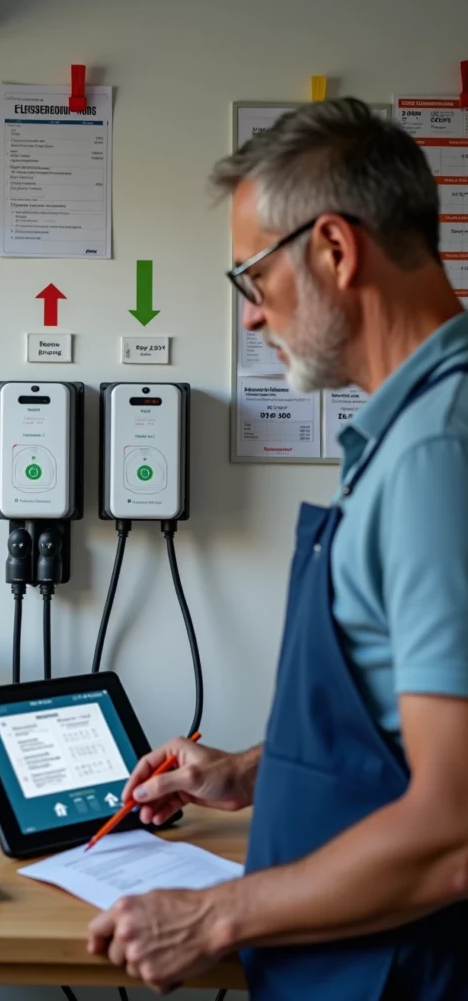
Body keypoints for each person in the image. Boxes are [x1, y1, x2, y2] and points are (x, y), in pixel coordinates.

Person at [88, 98, 468, 999]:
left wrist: (212, 914)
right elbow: (404, 722)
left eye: (251, 278)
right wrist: (253, 771)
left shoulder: (436, 457)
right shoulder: (410, 433)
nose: (252, 318)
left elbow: (454, 826)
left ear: (335, 250)